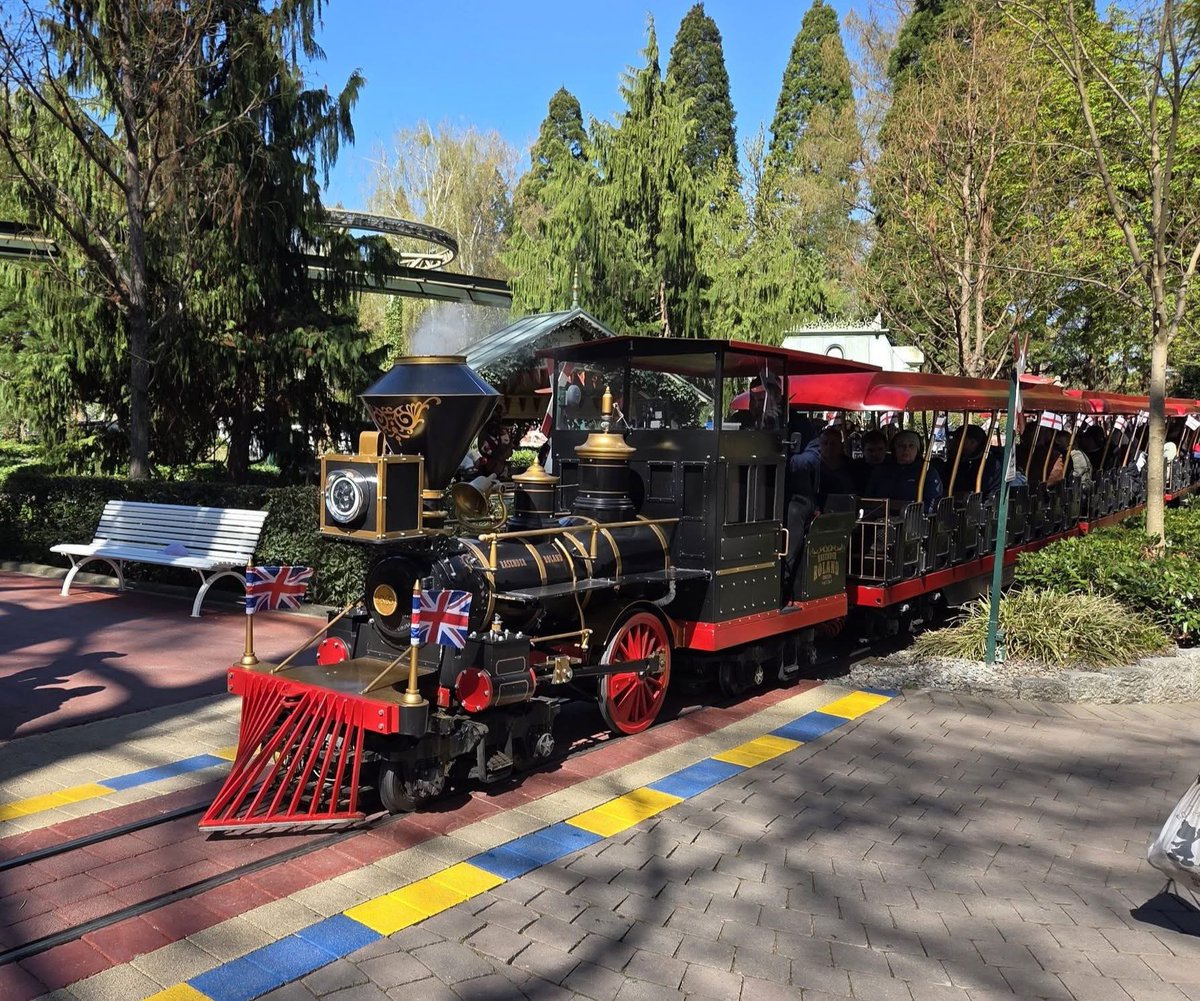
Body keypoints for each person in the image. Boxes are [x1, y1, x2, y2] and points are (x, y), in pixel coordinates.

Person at [866, 429, 943, 513]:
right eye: (901, 445)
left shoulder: (927, 472)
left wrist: (906, 507)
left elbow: (932, 505)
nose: (906, 449)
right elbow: (868, 501)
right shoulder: (880, 471)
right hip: (880, 520)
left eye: (911, 446)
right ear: (894, 449)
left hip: (914, 521)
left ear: (918, 450)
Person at [852, 429, 888, 494]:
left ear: (886, 449)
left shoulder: (894, 468)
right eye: (870, 450)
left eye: (880, 449)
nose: (875, 454)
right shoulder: (853, 469)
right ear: (863, 451)